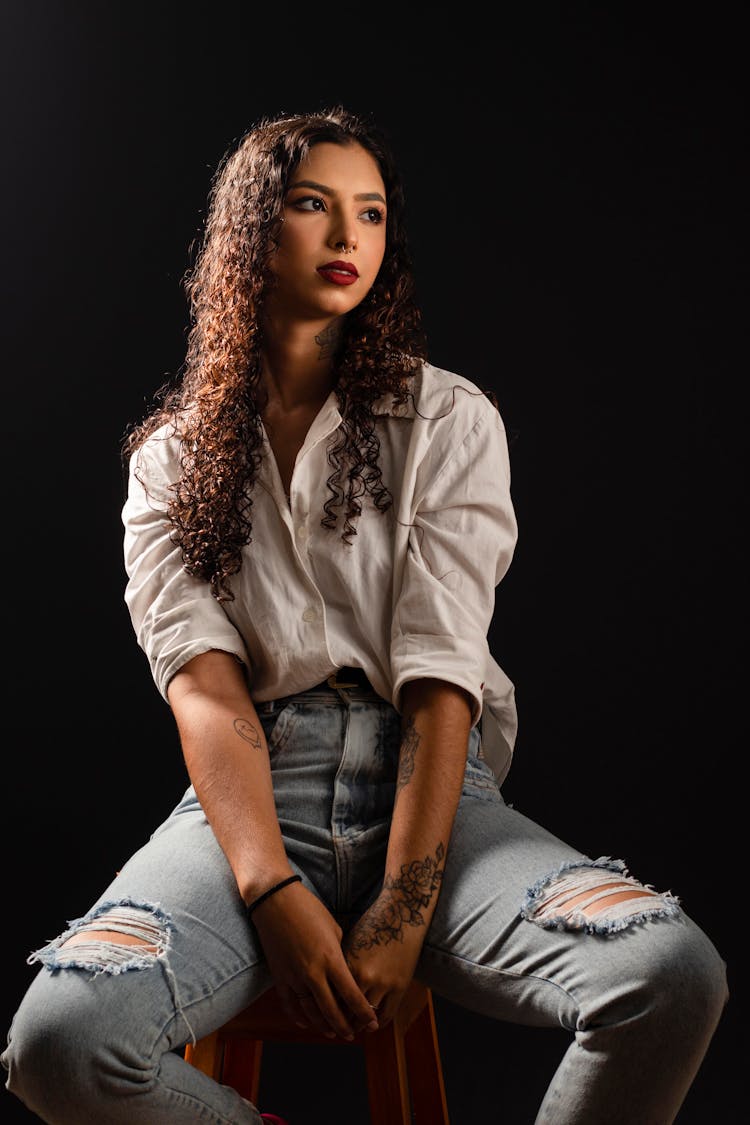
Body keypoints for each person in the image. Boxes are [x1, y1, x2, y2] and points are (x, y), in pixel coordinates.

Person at [2, 105, 728, 1125]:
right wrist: (268, 889)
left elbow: (442, 686)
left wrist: (404, 905)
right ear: (253, 228)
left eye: (372, 213)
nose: (350, 238)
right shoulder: (167, 461)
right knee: (58, 1044)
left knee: (671, 975)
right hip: (251, 800)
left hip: (437, 796)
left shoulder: (449, 420)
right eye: (313, 206)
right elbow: (207, 695)